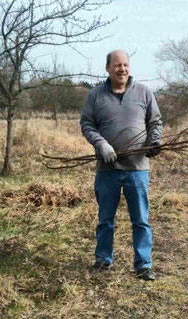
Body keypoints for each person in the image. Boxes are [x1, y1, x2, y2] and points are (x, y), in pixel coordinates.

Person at [80, 49, 163, 281]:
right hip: (107, 170)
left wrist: (154, 142)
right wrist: (101, 144)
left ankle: (143, 264)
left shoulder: (144, 93)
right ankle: (103, 260)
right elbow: (87, 124)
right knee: (105, 219)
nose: (122, 69)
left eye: (125, 65)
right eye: (117, 65)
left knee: (141, 220)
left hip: (137, 169)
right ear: (107, 68)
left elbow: (155, 122)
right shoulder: (95, 95)